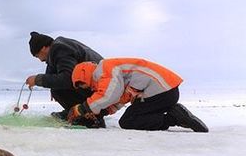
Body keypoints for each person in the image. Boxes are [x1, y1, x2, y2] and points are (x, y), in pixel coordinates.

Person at [69, 58, 209, 132]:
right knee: (132, 116)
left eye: (81, 84)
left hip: (161, 91)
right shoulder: (110, 71)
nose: (85, 88)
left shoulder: (104, 70)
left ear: (84, 75)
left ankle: (174, 117)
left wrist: (83, 108)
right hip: (166, 91)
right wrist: (104, 111)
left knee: (129, 120)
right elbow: (122, 96)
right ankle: (175, 115)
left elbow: (109, 95)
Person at [25, 32, 104, 127]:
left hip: (101, 91)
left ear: (43, 48)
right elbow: (52, 67)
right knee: (55, 87)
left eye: (37, 56)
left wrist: (37, 79)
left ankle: (89, 118)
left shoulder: (60, 49)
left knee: (58, 90)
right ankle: (75, 111)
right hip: (100, 88)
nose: (40, 60)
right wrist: (50, 83)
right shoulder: (59, 45)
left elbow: (68, 79)